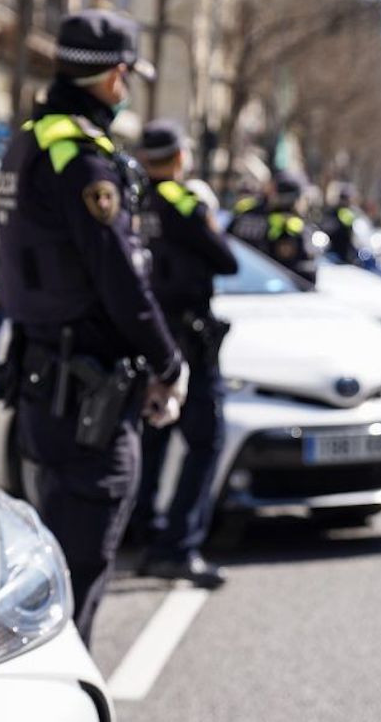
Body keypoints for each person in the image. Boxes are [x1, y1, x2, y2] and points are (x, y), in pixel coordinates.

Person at [0, 10, 188, 646]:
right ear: (113, 78)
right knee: (79, 571)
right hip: (88, 401)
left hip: (45, 386)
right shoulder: (81, 157)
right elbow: (120, 281)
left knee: (54, 563)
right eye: (128, 75)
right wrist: (168, 361)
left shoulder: (30, 138)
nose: (129, 87)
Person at [130, 120, 237, 588]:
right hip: (189, 341)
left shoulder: (130, 201)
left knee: (152, 438)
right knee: (205, 441)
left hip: (148, 336)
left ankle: (142, 531)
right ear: (178, 158)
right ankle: (177, 547)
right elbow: (227, 260)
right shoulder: (181, 202)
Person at [228, 173, 321, 283]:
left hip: (236, 283)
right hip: (269, 288)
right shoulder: (290, 225)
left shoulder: (244, 211)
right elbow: (301, 274)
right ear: (295, 199)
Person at [322, 183, 362, 265]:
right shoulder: (332, 211)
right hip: (331, 249)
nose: (345, 201)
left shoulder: (351, 212)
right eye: (343, 198)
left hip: (346, 250)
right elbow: (326, 227)